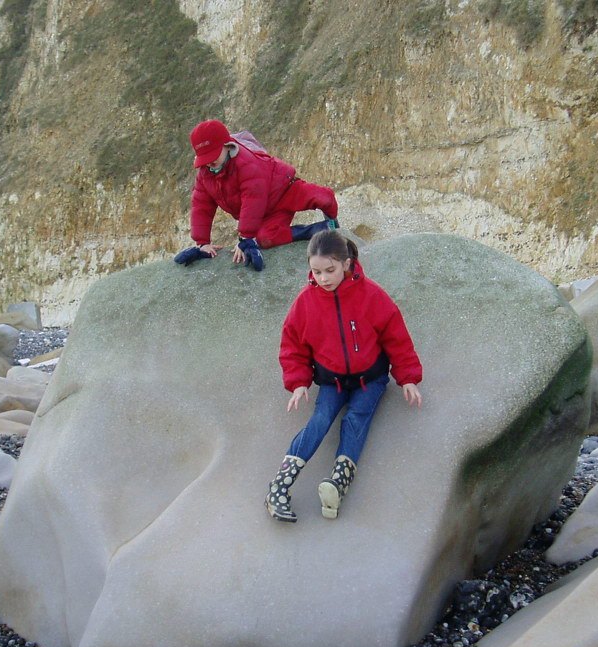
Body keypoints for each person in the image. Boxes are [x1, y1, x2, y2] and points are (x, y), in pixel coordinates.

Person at [265, 230, 423, 523]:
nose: (323, 278)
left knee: (355, 419)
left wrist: (408, 376)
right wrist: (298, 383)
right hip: (332, 381)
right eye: (316, 272)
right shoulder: (306, 302)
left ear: (346, 263)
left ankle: (337, 484)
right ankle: (279, 486)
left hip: (370, 379)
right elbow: (293, 345)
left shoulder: (371, 295)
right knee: (320, 419)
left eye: (330, 270)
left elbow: (396, 336)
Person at [174, 120, 340, 271]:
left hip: (284, 190)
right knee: (265, 238)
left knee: (323, 199)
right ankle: (318, 229)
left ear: (228, 146)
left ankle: (332, 218)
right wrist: (202, 242)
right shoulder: (205, 175)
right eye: (204, 158)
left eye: (213, 155)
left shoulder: (245, 163)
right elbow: (201, 205)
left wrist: (245, 237)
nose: (209, 162)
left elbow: (253, 199)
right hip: (266, 213)